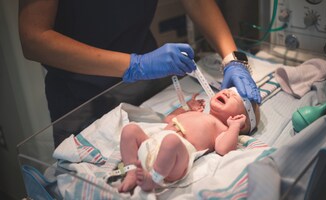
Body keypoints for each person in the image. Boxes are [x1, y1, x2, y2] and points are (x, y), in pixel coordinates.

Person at [18, 0, 260, 147]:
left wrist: (232, 59)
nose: (228, 92)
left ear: (237, 121)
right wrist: (136, 65)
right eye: (233, 93)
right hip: (79, 91)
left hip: (145, 83)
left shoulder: (222, 128)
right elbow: (33, 38)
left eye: (238, 101)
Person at [118, 88, 260, 192]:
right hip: (153, 143)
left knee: (171, 141)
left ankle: (154, 179)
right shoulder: (198, 113)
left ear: (242, 120)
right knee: (129, 129)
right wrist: (185, 108)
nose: (228, 92)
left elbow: (223, 149)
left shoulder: (222, 128)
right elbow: (168, 119)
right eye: (228, 90)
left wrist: (234, 127)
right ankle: (131, 172)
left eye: (235, 97)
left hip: (176, 160)